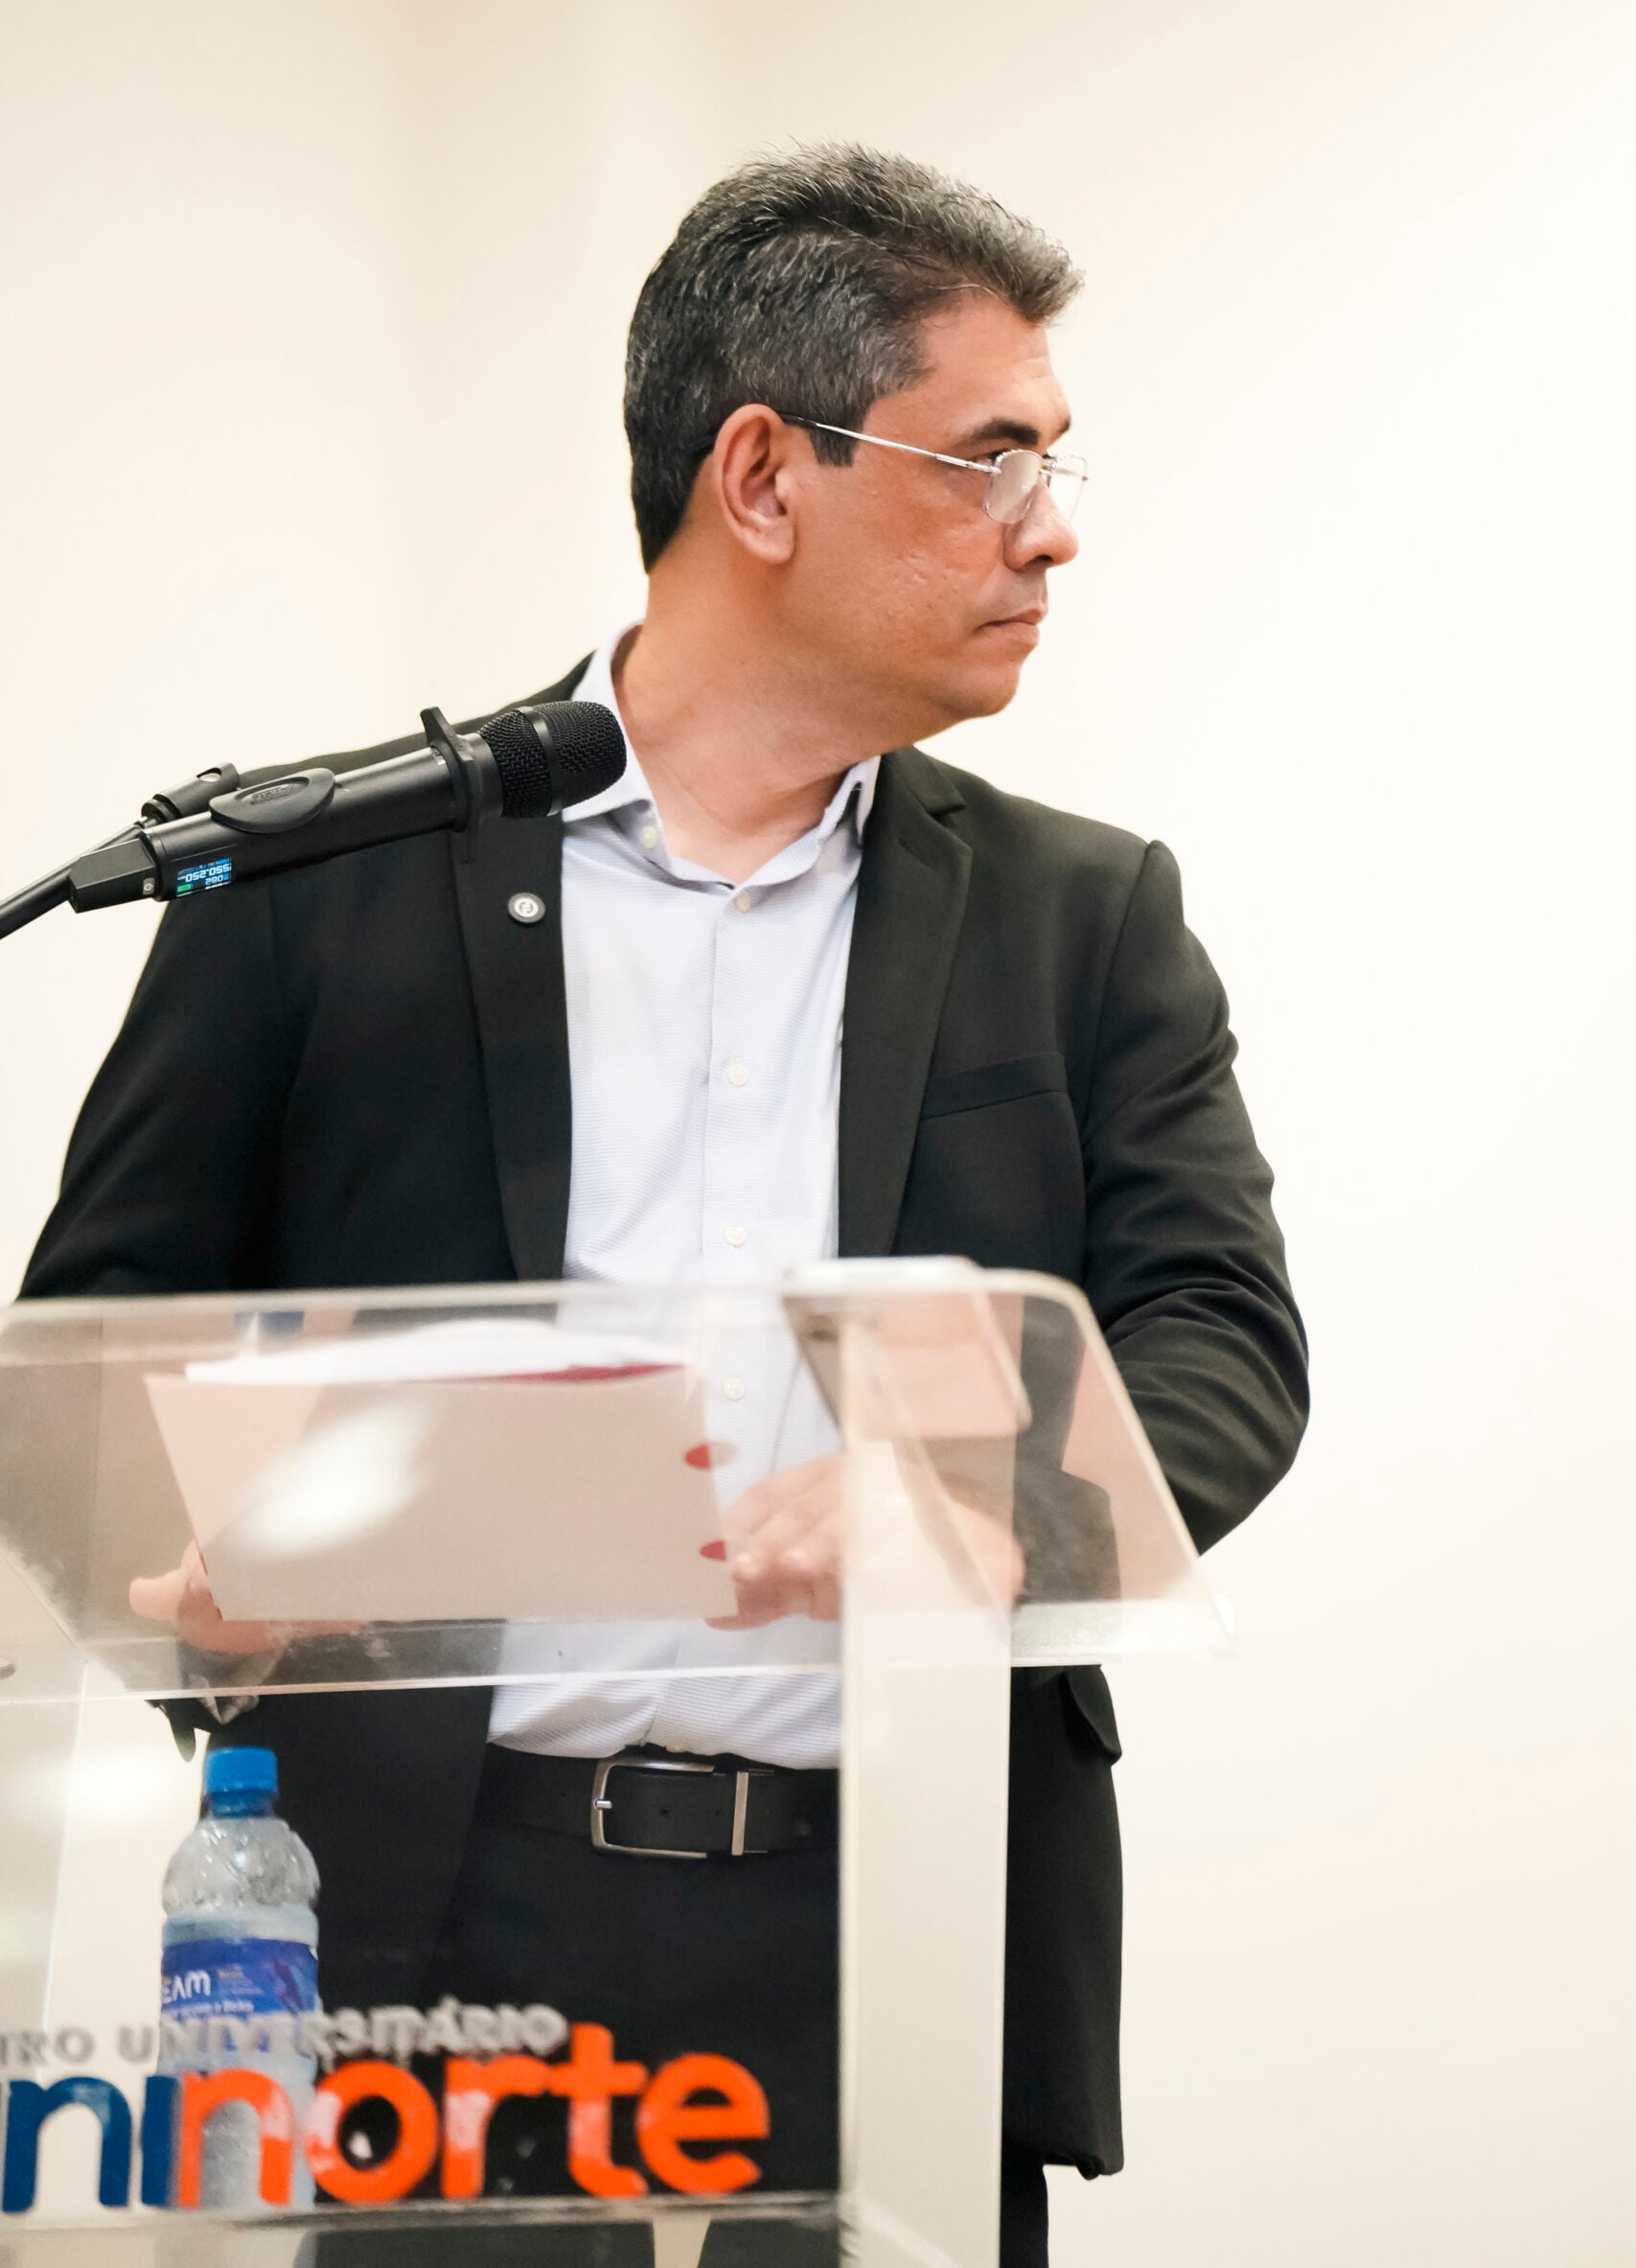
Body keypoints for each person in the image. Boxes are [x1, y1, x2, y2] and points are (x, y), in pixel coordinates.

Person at [21, 145, 1308, 2265]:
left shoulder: (1080, 919)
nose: (1052, 527)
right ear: (763, 476)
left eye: (1053, 465)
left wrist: (989, 1507)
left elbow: (1217, 1339)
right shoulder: (317, 882)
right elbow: (106, 1344)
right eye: (991, 460)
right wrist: (191, 1595)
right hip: (439, 1935)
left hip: (907, 1907)